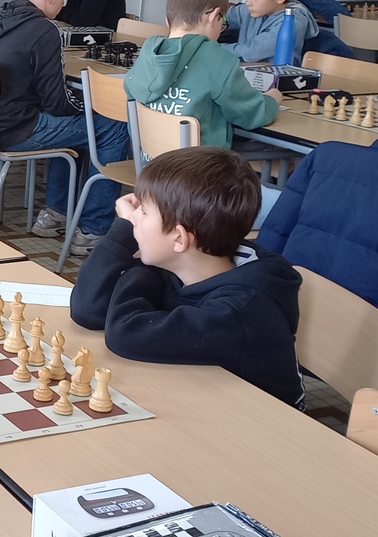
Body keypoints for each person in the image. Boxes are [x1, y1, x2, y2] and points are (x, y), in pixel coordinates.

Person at [69, 146, 304, 408]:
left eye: (143, 212)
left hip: (264, 423)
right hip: (210, 399)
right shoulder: (189, 261)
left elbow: (125, 334)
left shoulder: (240, 310)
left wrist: (135, 257)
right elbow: (88, 310)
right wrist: (134, 240)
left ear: (179, 239)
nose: (132, 217)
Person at [0, 0, 131, 254]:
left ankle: (55, 214)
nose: (65, 4)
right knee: (112, 125)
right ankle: (93, 229)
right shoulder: (44, 30)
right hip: (12, 130)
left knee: (75, 126)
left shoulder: (0, 17)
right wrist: (89, 107)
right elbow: (57, 102)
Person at [128, 0, 282, 149]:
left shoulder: (148, 52)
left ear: (167, 21)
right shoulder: (218, 58)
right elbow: (249, 114)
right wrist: (271, 101)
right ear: (213, 16)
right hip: (203, 165)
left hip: (151, 161)